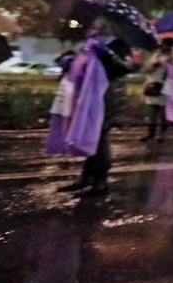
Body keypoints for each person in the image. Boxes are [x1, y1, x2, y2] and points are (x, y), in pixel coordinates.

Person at [55, 36, 137, 198]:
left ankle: (101, 182)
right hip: (92, 99)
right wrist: (70, 60)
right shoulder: (98, 43)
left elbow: (124, 68)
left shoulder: (116, 48)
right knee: (93, 138)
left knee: (100, 139)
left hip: (105, 101)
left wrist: (105, 53)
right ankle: (88, 177)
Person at [139, 38, 173, 143]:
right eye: (164, 45)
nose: (165, 48)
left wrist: (171, 66)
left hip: (168, 86)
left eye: (168, 46)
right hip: (154, 85)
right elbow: (145, 69)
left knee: (164, 113)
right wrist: (155, 65)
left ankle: (162, 135)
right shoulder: (156, 55)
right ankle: (151, 134)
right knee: (152, 112)